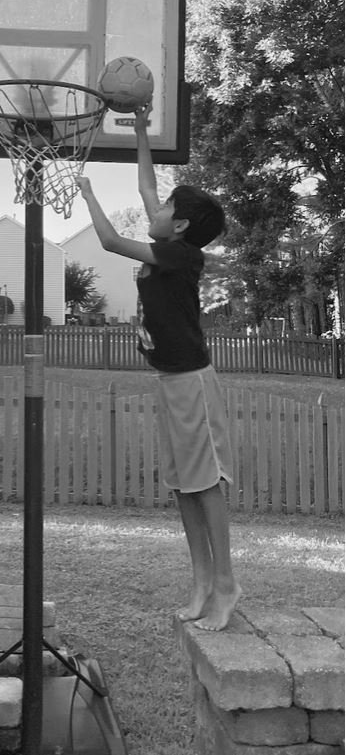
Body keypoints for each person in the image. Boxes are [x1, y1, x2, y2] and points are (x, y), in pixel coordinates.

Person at [75, 103, 241, 631]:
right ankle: (200, 578)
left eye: (167, 206)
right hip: (169, 381)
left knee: (205, 484)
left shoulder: (178, 255)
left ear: (182, 224)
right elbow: (148, 185)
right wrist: (143, 132)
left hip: (192, 383)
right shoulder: (169, 244)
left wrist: (88, 194)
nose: (155, 205)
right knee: (182, 486)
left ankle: (227, 582)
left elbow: (107, 240)